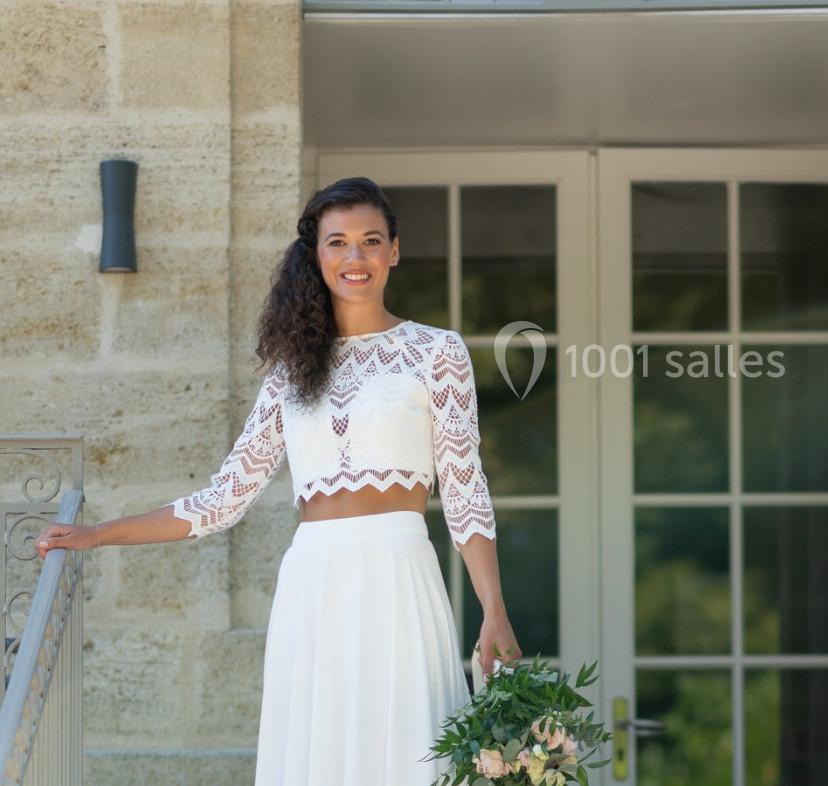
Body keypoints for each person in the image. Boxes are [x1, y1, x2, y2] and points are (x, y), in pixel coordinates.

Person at [35, 176, 522, 785]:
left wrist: (493, 610)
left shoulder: (435, 352)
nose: (355, 257)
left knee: (410, 753)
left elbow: (464, 487)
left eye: (370, 241)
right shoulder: (291, 373)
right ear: (316, 256)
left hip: (400, 576)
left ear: (394, 250)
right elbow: (223, 498)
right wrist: (96, 535)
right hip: (313, 586)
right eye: (337, 243)